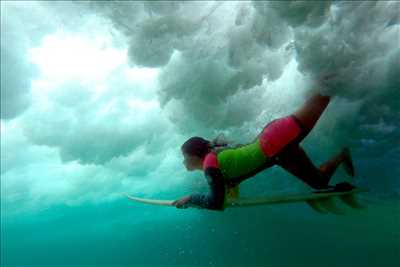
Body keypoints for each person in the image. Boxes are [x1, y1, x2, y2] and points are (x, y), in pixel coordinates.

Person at [173, 78, 355, 211]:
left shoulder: (210, 164)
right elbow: (226, 196)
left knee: (324, 94)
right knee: (319, 183)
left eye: (184, 158)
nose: (184, 163)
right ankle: (341, 156)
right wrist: (208, 201)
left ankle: (338, 67)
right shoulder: (216, 164)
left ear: (194, 156)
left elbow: (215, 203)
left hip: (277, 140)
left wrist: (190, 199)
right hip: (278, 151)